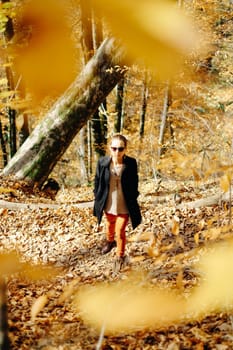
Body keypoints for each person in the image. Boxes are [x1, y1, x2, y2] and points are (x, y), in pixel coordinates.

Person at [93, 133, 142, 269]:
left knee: (120, 230)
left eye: (120, 149)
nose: (117, 152)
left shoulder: (131, 163)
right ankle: (109, 241)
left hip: (124, 203)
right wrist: (97, 195)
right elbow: (97, 180)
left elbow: (135, 181)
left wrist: (134, 195)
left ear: (125, 149)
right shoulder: (103, 163)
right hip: (108, 201)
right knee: (109, 224)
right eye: (114, 148)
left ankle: (120, 255)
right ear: (110, 148)